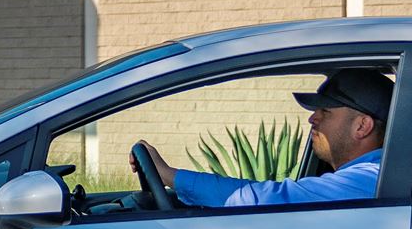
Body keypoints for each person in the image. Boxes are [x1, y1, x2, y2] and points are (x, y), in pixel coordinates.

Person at [132, 68, 393, 208]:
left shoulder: (369, 178)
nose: (313, 119)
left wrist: (168, 175)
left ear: (362, 126)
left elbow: (264, 200)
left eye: (325, 111)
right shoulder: (370, 175)